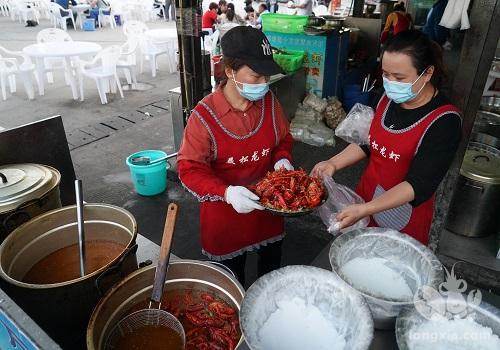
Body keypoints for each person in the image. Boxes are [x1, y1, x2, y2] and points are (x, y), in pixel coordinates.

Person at [311, 30, 461, 246]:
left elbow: (418, 185)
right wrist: (333, 163)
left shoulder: (444, 121)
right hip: (364, 198)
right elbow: (366, 143)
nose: (390, 82)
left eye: (399, 77)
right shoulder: (383, 97)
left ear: (427, 73)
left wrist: (367, 209)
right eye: (386, 74)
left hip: (403, 213)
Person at [177, 26, 294, 284]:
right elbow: (189, 169)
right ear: (230, 71)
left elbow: (282, 140)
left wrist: (281, 158)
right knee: (230, 285)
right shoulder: (204, 117)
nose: (263, 84)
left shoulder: (269, 102)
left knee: (270, 277)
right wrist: (227, 193)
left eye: (267, 76)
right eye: (255, 76)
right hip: (226, 219)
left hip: (269, 211)